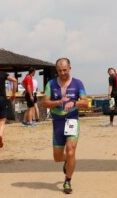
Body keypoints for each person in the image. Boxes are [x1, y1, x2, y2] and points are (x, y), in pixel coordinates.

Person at [43, 58, 88, 194]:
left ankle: (67, 180)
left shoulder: (77, 83)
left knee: (70, 150)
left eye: (65, 70)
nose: (62, 73)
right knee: (57, 157)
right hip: (57, 122)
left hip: (72, 120)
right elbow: (45, 103)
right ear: (57, 70)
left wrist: (74, 103)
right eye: (59, 70)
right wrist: (57, 102)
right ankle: (68, 161)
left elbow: (85, 103)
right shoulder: (50, 84)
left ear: (69, 68)